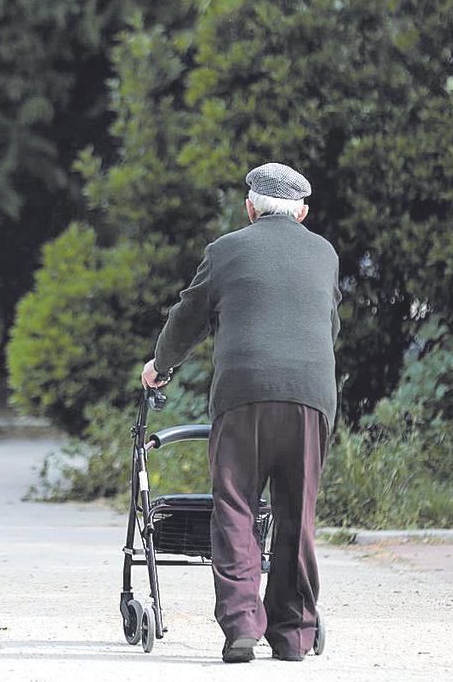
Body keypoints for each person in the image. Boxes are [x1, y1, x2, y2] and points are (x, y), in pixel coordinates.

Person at [141, 162, 340, 663]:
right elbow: (329, 324)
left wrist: (160, 367)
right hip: (310, 398)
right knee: (297, 511)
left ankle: (241, 627)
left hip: (243, 394)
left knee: (235, 507)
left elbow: (187, 316)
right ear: (303, 213)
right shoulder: (325, 253)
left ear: (250, 207)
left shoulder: (227, 249)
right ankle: (294, 634)